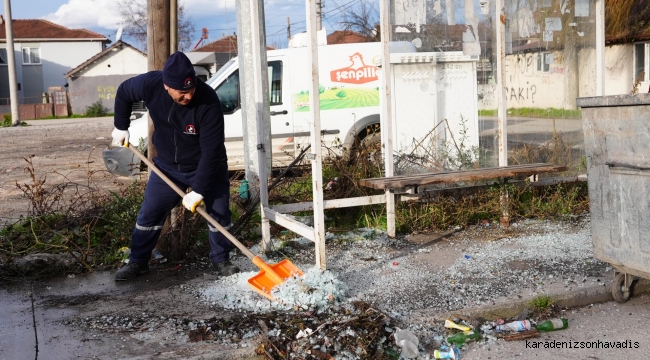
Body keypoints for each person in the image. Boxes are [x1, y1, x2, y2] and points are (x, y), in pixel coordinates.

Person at [111, 52, 239, 280]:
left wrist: (199, 189)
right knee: (149, 214)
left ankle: (222, 260)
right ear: (166, 86)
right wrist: (121, 126)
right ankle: (138, 262)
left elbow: (211, 152)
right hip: (167, 166)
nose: (188, 96)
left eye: (191, 89)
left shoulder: (208, 102)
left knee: (219, 213)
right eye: (182, 92)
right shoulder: (150, 84)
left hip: (207, 165)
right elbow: (123, 92)